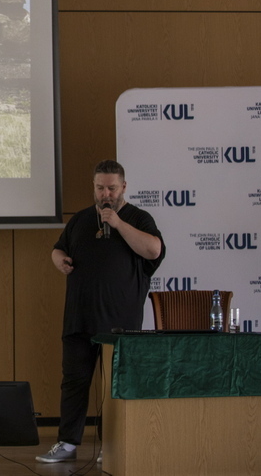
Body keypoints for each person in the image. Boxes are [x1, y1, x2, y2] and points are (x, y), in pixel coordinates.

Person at [37, 159, 165, 464]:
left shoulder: (138, 218)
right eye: (100, 188)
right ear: (93, 188)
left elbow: (154, 250)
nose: (105, 194)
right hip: (79, 319)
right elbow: (58, 248)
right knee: (74, 382)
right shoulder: (80, 220)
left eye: (111, 188)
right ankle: (67, 443)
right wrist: (58, 260)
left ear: (123, 187)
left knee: (115, 387)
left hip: (120, 325)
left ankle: (113, 446)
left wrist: (117, 224)